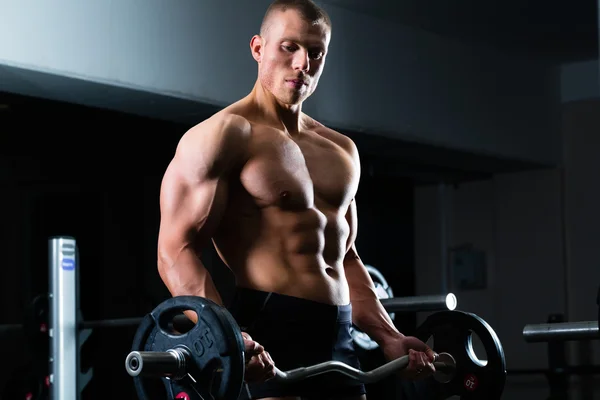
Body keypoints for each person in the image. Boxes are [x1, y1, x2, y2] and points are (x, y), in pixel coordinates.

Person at [156, 0, 437, 398]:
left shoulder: (341, 149)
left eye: (316, 52)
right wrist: (228, 339)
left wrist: (389, 335)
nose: (303, 62)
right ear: (258, 48)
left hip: (339, 338)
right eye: (289, 47)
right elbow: (175, 250)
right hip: (269, 333)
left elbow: (347, 256)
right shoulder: (225, 136)